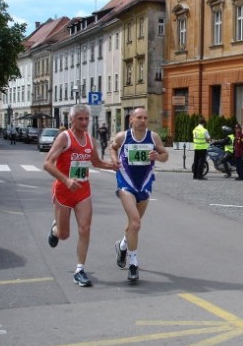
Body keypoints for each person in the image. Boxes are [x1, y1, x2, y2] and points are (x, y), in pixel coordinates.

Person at [43, 104, 119, 287]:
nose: (84, 122)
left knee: (85, 229)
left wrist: (114, 166)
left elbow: (96, 162)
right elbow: (47, 164)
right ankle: (55, 229)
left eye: (87, 119)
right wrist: (67, 180)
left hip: (83, 191)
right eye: (80, 119)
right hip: (63, 190)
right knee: (64, 235)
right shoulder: (64, 138)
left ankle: (80, 269)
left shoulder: (90, 139)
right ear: (72, 119)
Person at [110, 107, 168, 283]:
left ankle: (122, 246)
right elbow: (112, 148)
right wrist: (114, 159)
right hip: (126, 182)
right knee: (135, 223)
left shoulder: (153, 137)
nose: (143, 121)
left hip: (144, 183)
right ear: (131, 120)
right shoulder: (123, 136)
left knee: (134, 225)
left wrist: (157, 156)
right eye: (139, 117)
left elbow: (165, 155)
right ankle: (133, 263)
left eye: (145, 118)